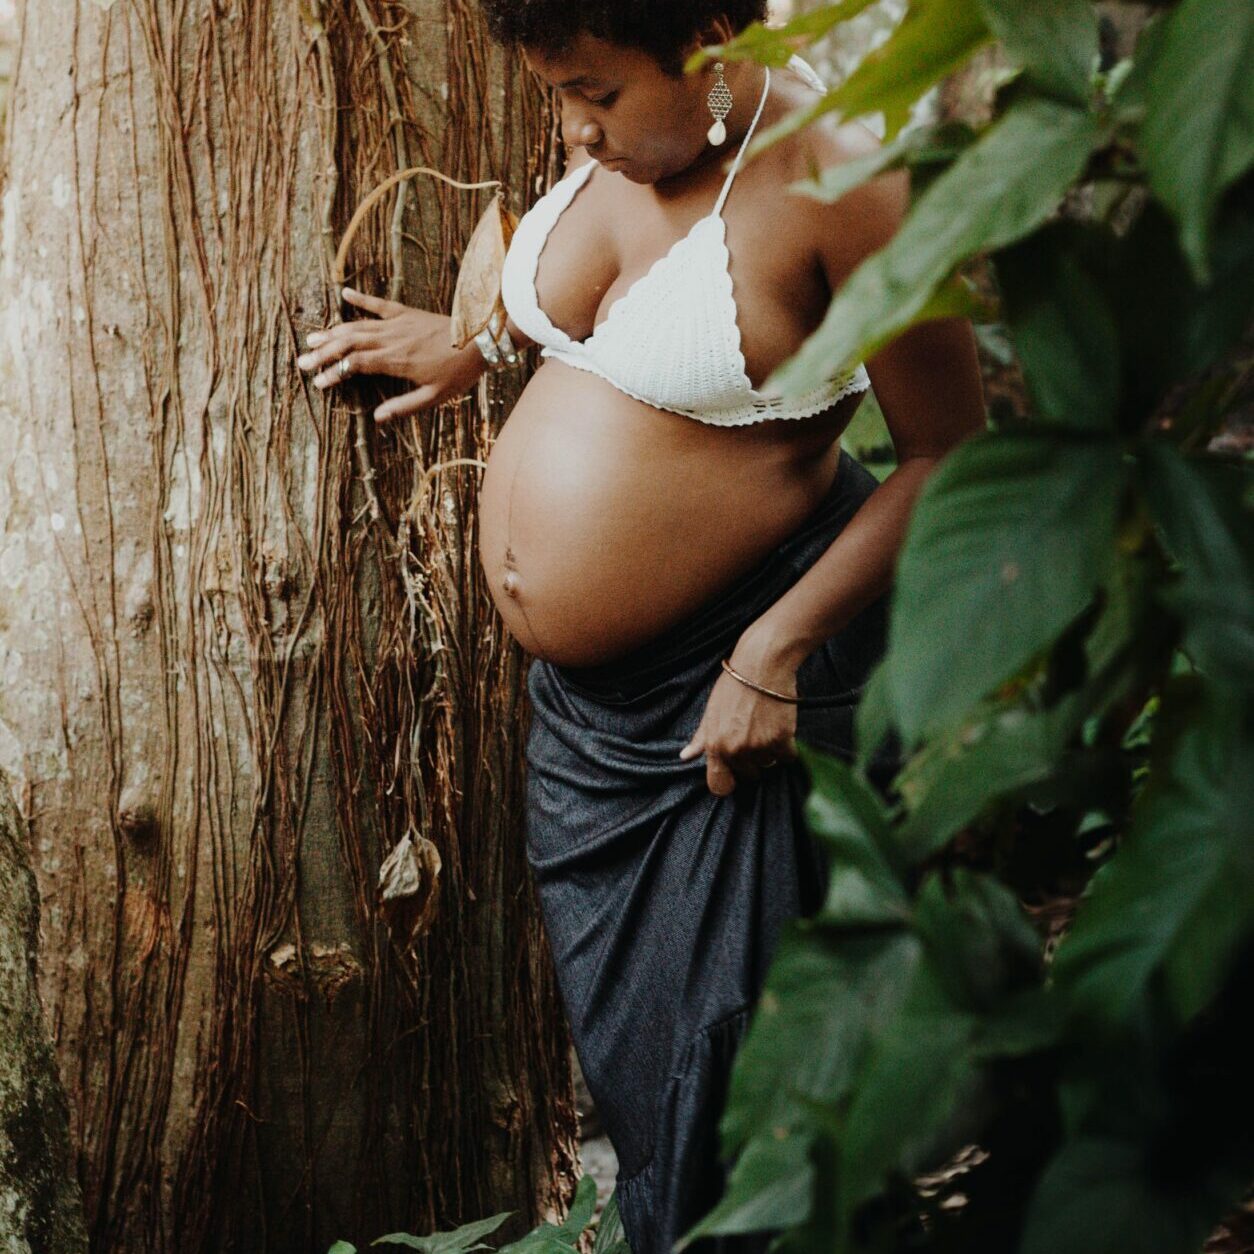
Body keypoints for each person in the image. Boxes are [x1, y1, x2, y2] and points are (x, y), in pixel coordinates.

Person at [298, 3, 986, 1250]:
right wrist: (465, 347)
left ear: (714, 40)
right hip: (588, 732)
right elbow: (599, 318)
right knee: (647, 1086)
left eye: (596, 94)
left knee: (744, 1108)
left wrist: (774, 651)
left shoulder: (843, 173)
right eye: (561, 93)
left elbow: (950, 454)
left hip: (733, 689)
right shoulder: (629, 143)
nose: (571, 125)